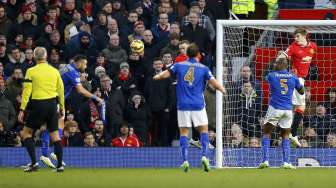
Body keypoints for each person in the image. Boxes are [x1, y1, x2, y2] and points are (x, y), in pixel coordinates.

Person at [153, 43, 226, 172]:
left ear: (186, 54)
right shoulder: (204, 68)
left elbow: (166, 73)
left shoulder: (179, 65)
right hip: (198, 104)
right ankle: (205, 156)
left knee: (184, 133)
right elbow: (213, 82)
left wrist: (157, 76)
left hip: (183, 105)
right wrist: (222, 89)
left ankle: (185, 161)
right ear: (198, 54)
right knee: (203, 131)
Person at [18, 47, 65, 172]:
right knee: (55, 136)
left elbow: (27, 91)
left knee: (26, 133)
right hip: (52, 104)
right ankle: (60, 166)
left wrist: (22, 109)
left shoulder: (31, 71)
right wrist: (62, 107)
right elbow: (61, 90)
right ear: (46, 56)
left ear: (34, 57)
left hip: (38, 105)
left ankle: (34, 163)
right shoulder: (54, 71)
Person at [259, 57, 304, 169]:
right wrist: (296, 79)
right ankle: (286, 162)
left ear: (279, 64)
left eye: (276, 63)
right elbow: (302, 91)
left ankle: (265, 161)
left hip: (275, 108)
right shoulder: (293, 76)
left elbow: (263, 77)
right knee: (285, 135)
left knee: (267, 132)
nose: (274, 64)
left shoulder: (272, 75)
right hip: (288, 110)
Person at [277, 28, 317, 147]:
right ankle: (290, 132)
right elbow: (284, 55)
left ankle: (290, 132)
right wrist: (280, 57)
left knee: (298, 106)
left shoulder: (313, 46)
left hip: (301, 80)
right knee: (300, 106)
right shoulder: (293, 46)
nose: (296, 39)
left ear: (305, 35)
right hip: (295, 79)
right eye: (295, 37)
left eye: (298, 36)